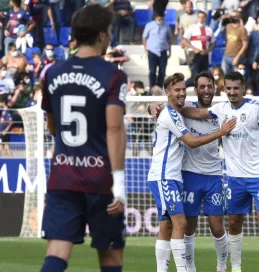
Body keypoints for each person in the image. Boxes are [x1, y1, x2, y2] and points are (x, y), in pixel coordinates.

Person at [179, 71, 259, 272]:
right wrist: (167, 107)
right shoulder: (220, 109)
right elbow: (197, 113)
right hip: (235, 178)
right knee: (234, 223)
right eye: (229, 88)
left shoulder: (256, 108)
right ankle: (236, 268)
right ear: (224, 89)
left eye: (236, 88)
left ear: (243, 88)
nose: (233, 92)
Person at [39, 4, 128, 272]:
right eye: (110, 31)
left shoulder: (52, 73)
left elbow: (52, 126)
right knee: (110, 258)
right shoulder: (113, 75)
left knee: (56, 254)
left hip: (63, 176)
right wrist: (120, 184)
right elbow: (114, 129)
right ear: (102, 35)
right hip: (100, 180)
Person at [146, 73, 236, 272]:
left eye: (209, 86)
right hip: (179, 175)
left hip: (208, 175)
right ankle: (187, 269)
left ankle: (221, 267)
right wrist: (153, 104)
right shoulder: (180, 112)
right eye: (201, 86)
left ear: (214, 88)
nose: (205, 90)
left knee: (172, 225)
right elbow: (191, 141)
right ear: (196, 90)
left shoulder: (219, 111)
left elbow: (178, 109)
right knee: (183, 225)